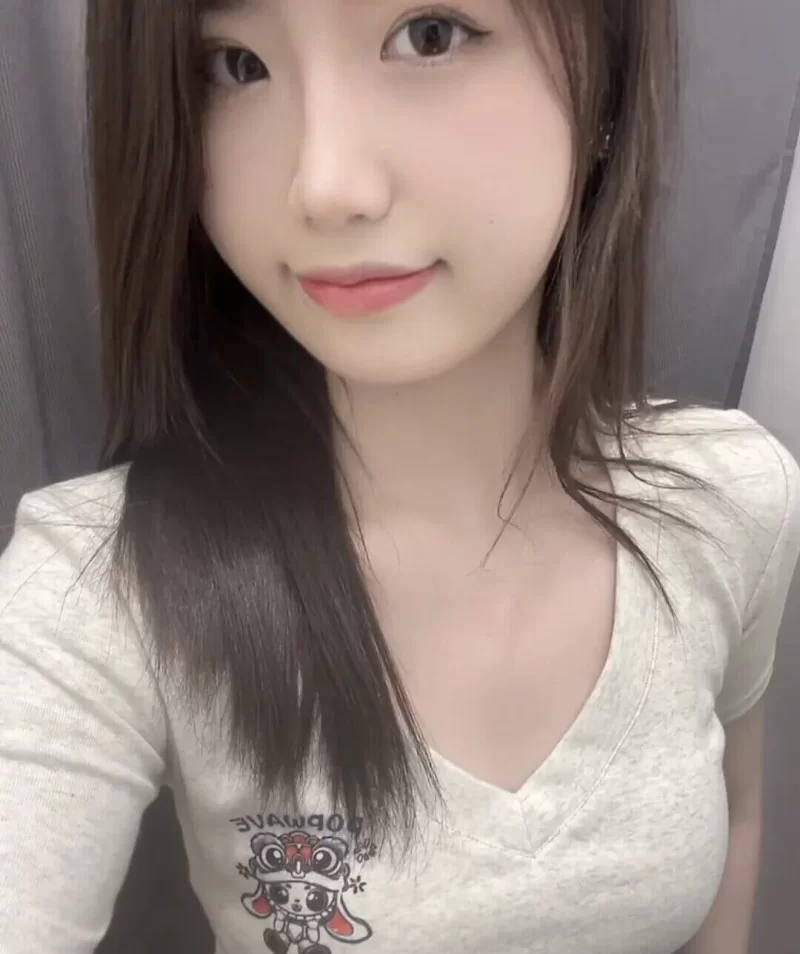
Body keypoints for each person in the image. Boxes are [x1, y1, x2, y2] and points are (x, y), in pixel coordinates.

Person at [0, 1, 798, 952]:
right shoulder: (104, 588)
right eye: (236, 65)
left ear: (610, 79)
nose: (325, 186)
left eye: (429, 34)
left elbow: (738, 817)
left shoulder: (728, 498)